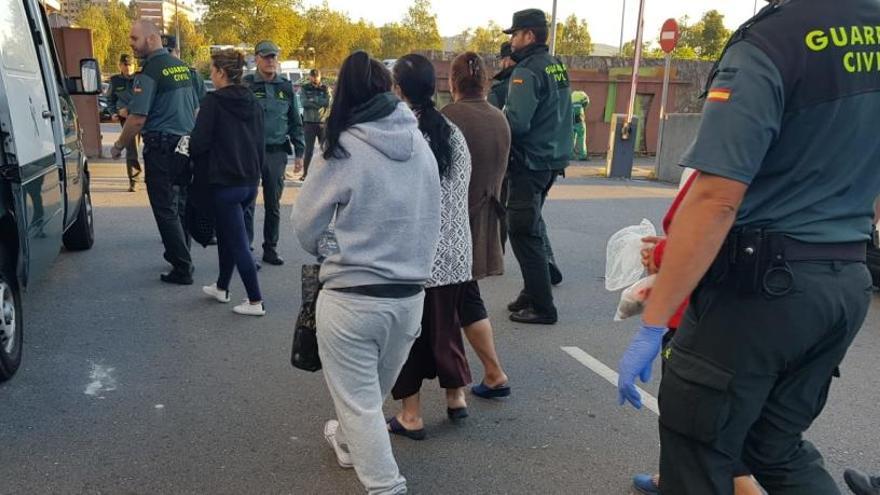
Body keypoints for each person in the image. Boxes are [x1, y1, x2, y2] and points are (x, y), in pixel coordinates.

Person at [615, 1, 880, 493]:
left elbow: (715, 197)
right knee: (774, 448)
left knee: (696, 443)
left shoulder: (775, 40)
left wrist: (654, 325)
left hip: (763, 291)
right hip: (845, 277)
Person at [292, 51, 440, 495]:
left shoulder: (340, 143)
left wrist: (332, 248)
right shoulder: (420, 145)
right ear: (389, 91)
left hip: (352, 297)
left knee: (359, 404)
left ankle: (387, 487)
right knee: (367, 401)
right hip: (410, 297)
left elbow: (305, 226)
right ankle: (348, 443)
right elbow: (435, 215)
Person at [630, 170, 761, 495]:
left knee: (694, 420)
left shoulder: (730, 158)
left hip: (698, 313)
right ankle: (670, 475)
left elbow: (706, 224)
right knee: (711, 421)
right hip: (739, 311)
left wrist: (660, 254)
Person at [388, 54, 473, 439]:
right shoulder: (452, 132)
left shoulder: (403, 134)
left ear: (399, 89)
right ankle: (456, 397)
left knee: (409, 334)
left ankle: (411, 415)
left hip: (416, 254)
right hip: (456, 252)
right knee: (446, 327)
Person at [441, 52, 512, 399]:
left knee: (447, 302)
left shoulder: (449, 118)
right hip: (488, 219)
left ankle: (461, 386)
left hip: (455, 223)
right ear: (485, 81)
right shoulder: (500, 118)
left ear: (452, 82)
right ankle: (491, 373)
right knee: (467, 297)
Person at [112, 19, 199, 285]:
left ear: (151, 39)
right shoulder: (184, 68)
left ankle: (182, 267)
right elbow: (197, 108)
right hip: (185, 145)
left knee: (164, 207)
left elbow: (137, 118)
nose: (131, 44)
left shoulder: (150, 71)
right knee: (180, 204)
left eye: (134, 39)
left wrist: (118, 146)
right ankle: (183, 252)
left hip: (161, 148)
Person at [502, 9, 573, 324]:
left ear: (528, 35)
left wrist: (494, 122)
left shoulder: (526, 71)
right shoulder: (556, 65)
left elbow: (515, 123)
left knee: (522, 230)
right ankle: (532, 292)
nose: (512, 41)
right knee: (529, 224)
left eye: (514, 34)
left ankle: (543, 306)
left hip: (529, 161)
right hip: (552, 159)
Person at [188, 49, 266, 317]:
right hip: (249, 181)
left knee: (238, 242)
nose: (210, 74)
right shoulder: (253, 102)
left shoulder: (213, 102)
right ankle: (222, 287)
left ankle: (255, 301)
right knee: (228, 234)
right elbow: (259, 143)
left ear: (221, 72)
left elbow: (198, 143)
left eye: (212, 70)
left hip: (224, 182)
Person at [243, 40, 306, 267]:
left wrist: (300, 153)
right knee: (247, 203)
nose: (271, 61)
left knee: (273, 204)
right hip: (250, 152)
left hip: (276, 153)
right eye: (266, 57)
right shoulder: (247, 85)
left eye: (274, 57)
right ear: (256, 58)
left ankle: (270, 248)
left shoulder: (286, 87)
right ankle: (246, 250)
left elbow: (295, 123)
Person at [107, 53, 142, 192]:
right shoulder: (115, 81)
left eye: (130, 65)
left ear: (135, 65)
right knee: (131, 148)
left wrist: (129, 108)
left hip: (143, 115)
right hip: (126, 119)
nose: (128, 68)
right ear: (120, 66)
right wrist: (114, 112)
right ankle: (134, 179)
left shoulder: (141, 78)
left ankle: (154, 178)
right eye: (125, 65)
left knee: (152, 147)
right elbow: (110, 99)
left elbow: (145, 97)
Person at [300, 68, 331, 181]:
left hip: (322, 122)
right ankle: (305, 174)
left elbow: (327, 102)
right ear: (310, 77)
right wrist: (318, 102)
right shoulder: (305, 88)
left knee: (325, 149)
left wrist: (313, 100)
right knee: (309, 150)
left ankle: (325, 174)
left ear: (320, 76)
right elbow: (304, 103)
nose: (315, 78)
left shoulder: (325, 88)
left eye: (316, 76)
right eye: (313, 76)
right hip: (309, 123)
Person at [162, 34, 207, 102]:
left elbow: (203, 103)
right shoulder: (154, 76)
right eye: (162, 53)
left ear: (177, 52)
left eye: (169, 52)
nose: (166, 56)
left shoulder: (192, 76)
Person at [488, 42, 515, 109]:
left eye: (501, 59)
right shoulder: (529, 79)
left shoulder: (497, 91)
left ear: (507, 60)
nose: (500, 63)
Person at [571, 90, 590, 160]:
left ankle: (570, 155)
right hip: (578, 113)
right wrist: (583, 109)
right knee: (581, 135)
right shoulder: (583, 95)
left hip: (570, 114)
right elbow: (586, 102)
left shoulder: (572, 94)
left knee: (571, 136)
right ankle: (582, 155)